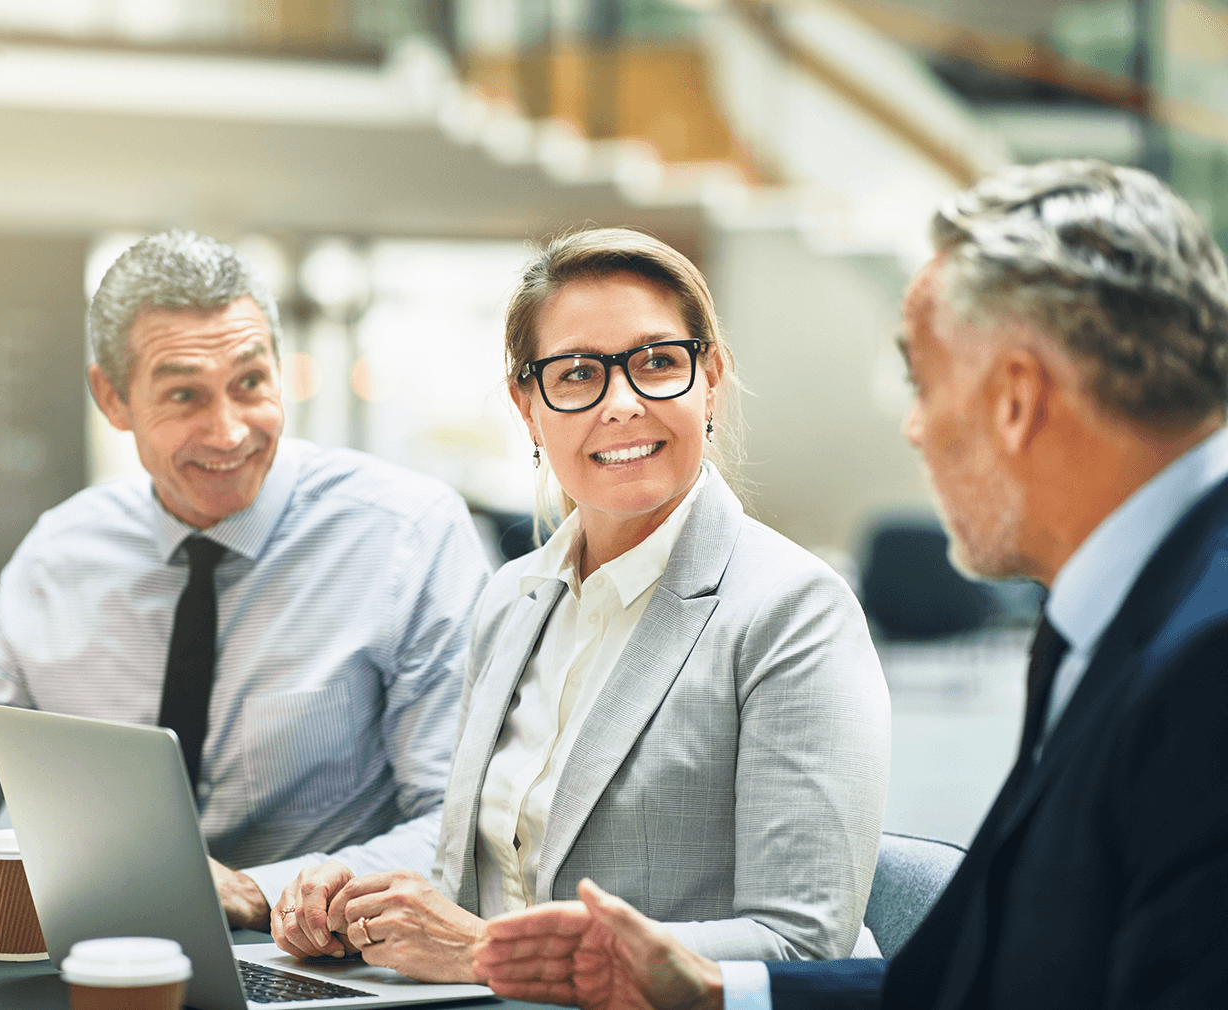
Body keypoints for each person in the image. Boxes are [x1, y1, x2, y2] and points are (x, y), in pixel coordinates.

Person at [473, 161, 1228, 1010]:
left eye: (921, 383)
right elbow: (983, 979)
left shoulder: (1202, 664)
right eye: (576, 373)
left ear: (1015, 399)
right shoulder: (1109, 621)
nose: (913, 429)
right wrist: (715, 987)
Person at [0, 230, 490, 930]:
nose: (230, 431)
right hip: (100, 954)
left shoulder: (409, 534)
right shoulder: (61, 553)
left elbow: (462, 827)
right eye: (184, 396)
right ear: (112, 399)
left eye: (251, 382)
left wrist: (256, 892)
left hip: (321, 959)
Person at [267, 229, 891, 982]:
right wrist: (363, 908)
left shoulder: (792, 611)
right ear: (528, 408)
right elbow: (492, 879)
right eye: (576, 374)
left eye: (658, 362)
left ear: (711, 379)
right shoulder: (512, 599)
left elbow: (803, 945)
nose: (622, 404)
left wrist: (481, 953)